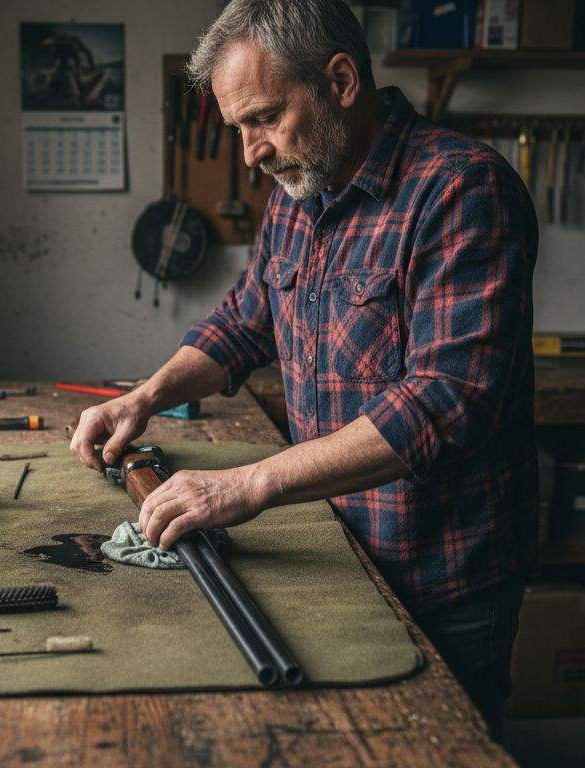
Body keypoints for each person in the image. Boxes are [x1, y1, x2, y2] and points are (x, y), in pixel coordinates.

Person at [69, 0, 538, 739]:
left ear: (342, 81)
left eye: (262, 118)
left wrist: (246, 483)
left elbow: (446, 402)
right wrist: (146, 398)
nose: (250, 151)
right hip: (334, 556)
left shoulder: (460, 189)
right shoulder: (299, 190)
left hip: (439, 575)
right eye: (238, 129)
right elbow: (243, 321)